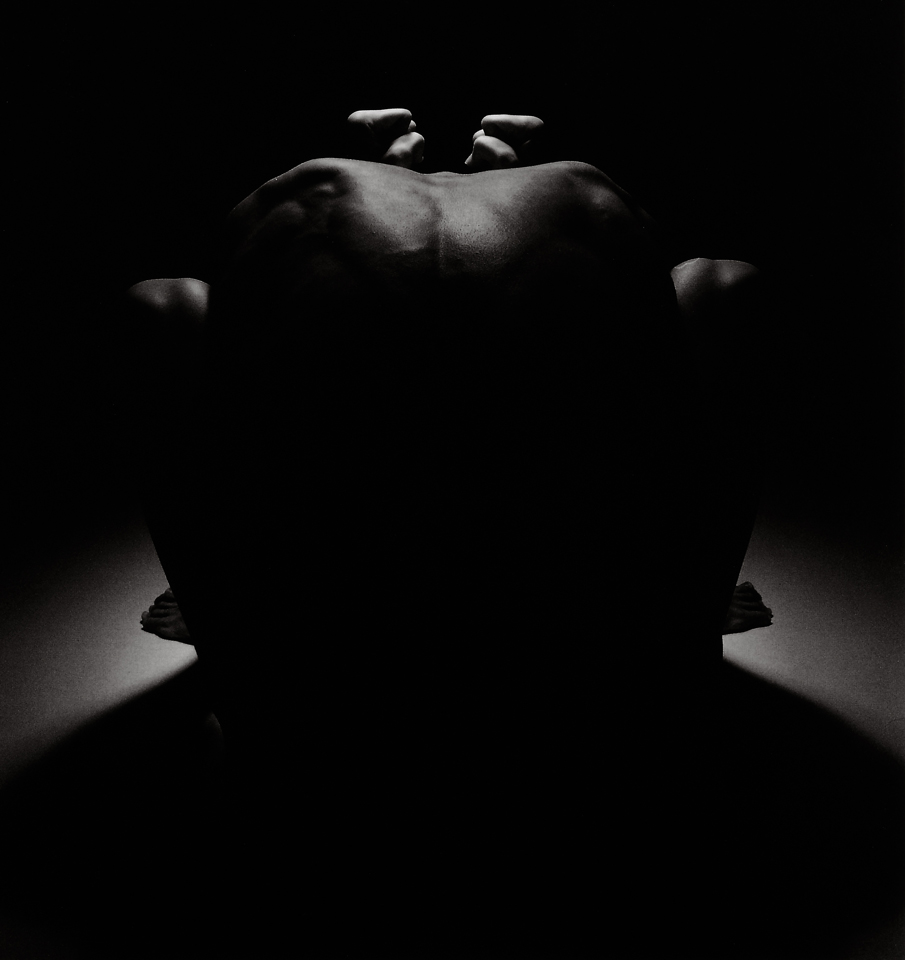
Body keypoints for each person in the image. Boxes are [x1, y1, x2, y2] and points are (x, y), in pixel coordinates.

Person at [124, 109, 772, 958]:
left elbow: (228, 379)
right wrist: (673, 580)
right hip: (543, 563)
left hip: (353, 562)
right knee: (727, 286)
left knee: (158, 306)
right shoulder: (580, 193)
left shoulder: (306, 193)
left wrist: (231, 587)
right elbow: (660, 377)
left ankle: (233, 663)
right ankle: (681, 639)